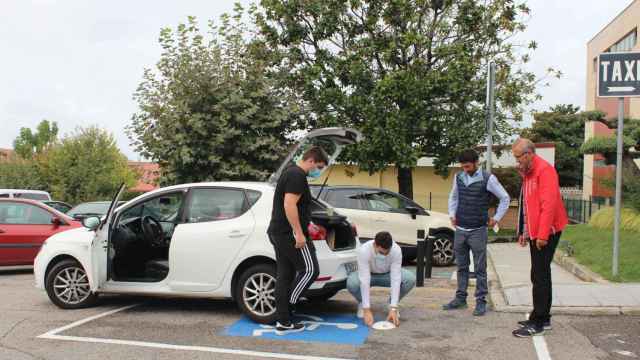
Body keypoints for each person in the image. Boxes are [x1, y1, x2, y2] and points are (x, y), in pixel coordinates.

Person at [511, 139, 568, 337]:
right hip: (537, 231)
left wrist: (542, 235)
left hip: (548, 231)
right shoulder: (528, 172)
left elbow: (548, 205)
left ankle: (539, 322)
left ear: (528, 154)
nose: (516, 161)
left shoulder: (545, 171)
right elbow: (527, 204)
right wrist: (524, 232)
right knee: (539, 274)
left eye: (518, 157)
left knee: (540, 275)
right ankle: (541, 316)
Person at [443, 149, 511, 316]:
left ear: (476, 163)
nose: (465, 169)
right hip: (460, 229)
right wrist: (452, 215)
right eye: (463, 167)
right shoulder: (458, 177)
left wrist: (496, 218)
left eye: (467, 166)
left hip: (478, 230)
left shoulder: (489, 179)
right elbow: (453, 197)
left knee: (480, 268)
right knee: (461, 266)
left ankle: (481, 301)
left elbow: (505, 198)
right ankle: (460, 299)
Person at [267, 146, 327, 334]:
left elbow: (297, 207)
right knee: (310, 270)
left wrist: (307, 224)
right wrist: (299, 233)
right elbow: (289, 204)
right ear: (311, 161)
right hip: (289, 234)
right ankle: (288, 306)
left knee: (285, 275)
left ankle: (283, 321)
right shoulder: (297, 175)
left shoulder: (291, 172)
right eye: (319, 166)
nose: (318, 171)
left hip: (279, 232)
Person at [347, 231, 416, 327]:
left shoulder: (396, 250)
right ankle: (362, 302)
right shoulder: (364, 250)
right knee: (352, 283)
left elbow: (396, 278)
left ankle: (390, 303)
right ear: (375, 244)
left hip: (387, 275)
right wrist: (366, 309)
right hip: (369, 274)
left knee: (410, 279)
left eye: (387, 253)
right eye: (381, 252)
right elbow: (365, 279)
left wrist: (393, 307)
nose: (384, 255)